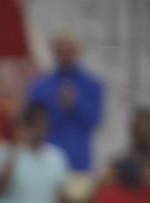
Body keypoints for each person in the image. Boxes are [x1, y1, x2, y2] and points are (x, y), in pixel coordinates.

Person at [28, 30, 104, 172]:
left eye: (70, 51)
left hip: (78, 159)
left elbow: (94, 120)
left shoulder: (93, 85)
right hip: (46, 158)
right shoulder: (40, 85)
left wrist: (75, 104)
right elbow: (32, 123)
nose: (66, 55)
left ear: (78, 52)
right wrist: (59, 106)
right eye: (61, 51)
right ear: (55, 52)